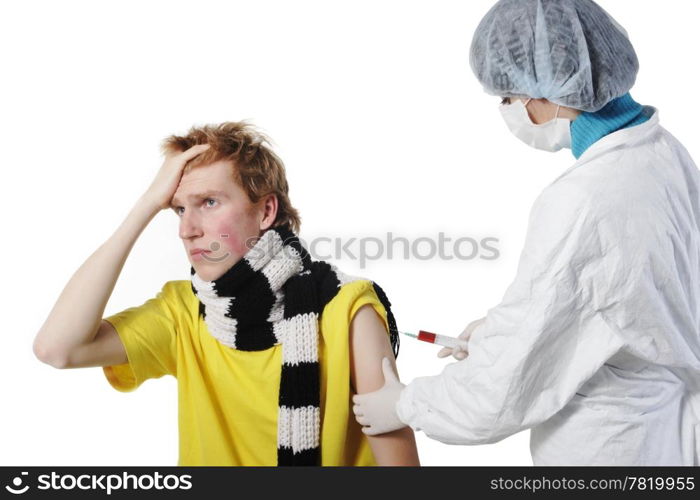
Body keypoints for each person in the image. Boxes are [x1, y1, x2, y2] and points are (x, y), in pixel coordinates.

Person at [352, 0, 700, 465]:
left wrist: (407, 404)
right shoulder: (661, 150)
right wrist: (497, 330)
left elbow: (511, 381)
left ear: (551, 91)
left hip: (611, 446)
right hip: (666, 431)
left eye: (508, 97)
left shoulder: (583, 200)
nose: (508, 110)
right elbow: (610, 300)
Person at [33, 121, 419, 466]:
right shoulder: (184, 311)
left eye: (209, 202)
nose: (188, 229)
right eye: (179, 209)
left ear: (266, 211)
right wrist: (148, 203)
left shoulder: (347, 309)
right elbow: (57, 349)